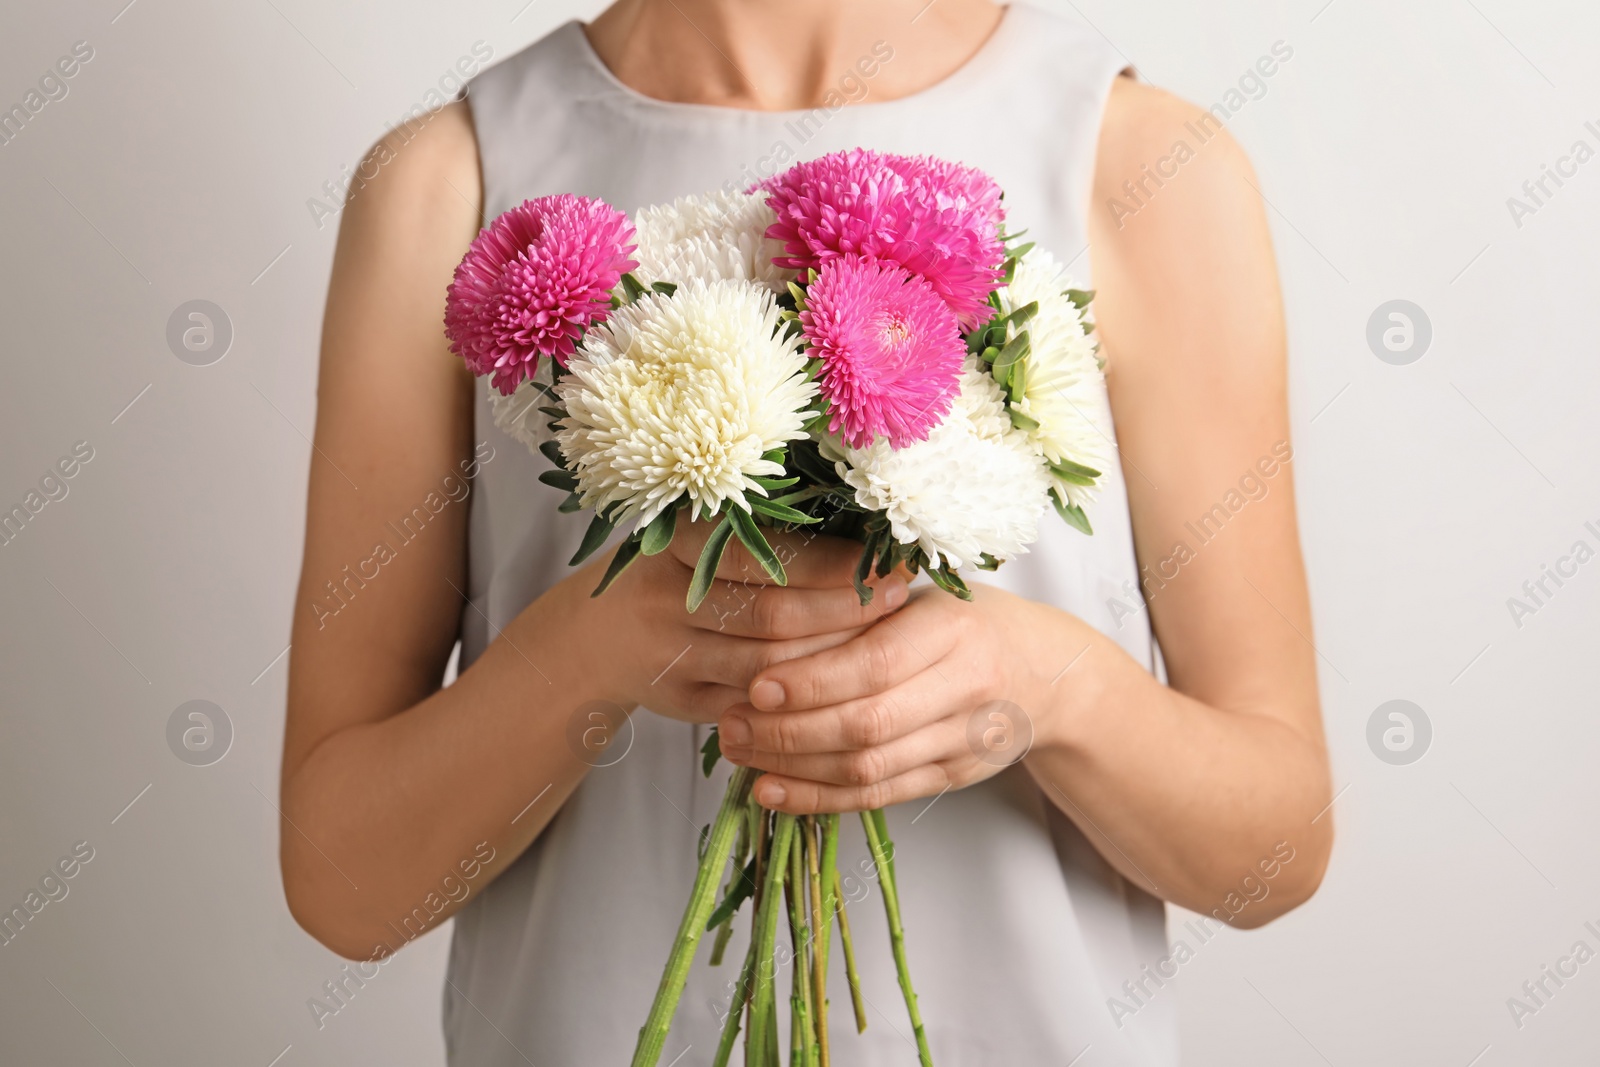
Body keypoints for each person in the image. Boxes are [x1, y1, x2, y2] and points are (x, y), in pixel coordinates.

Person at [279, 1, 1333, 1062]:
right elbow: (343, 884)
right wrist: (584, 655)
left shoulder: (1142, 164)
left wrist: (1054, 688)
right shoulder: (449, 186)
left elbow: (1276, 846)